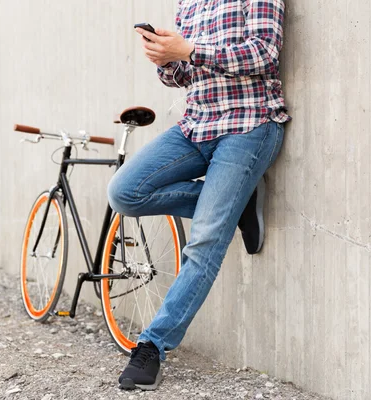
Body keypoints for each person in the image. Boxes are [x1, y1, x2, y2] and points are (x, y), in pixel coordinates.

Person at [107, 0, 290, 391]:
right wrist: (166, 59)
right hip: (196, 124)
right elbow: (185, 76)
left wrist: (189, 50)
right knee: (124, 192)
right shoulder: (190, 3)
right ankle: (236, 204)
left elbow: (264, 54)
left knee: (205, 240)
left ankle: (153, 346)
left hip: (250, 124)